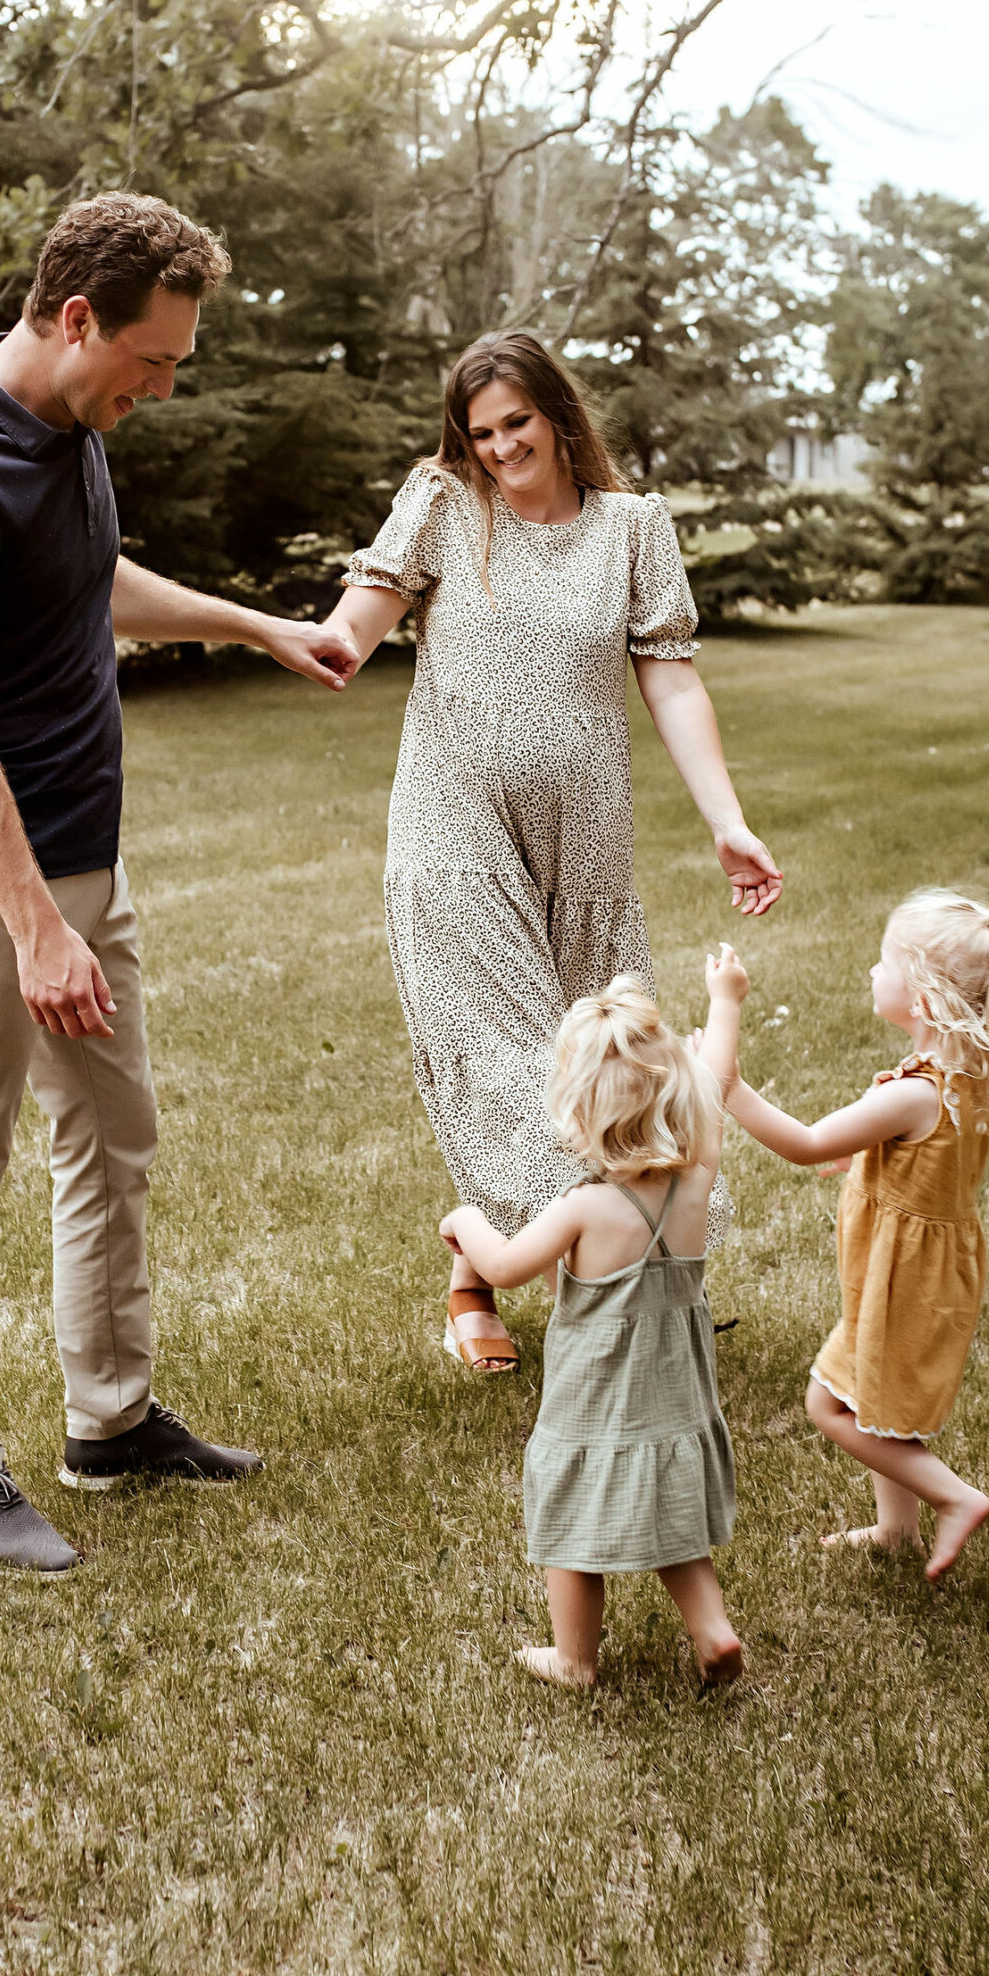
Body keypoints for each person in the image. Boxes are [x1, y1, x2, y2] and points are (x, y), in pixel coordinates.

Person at [0, 190, 358, 1576]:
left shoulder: (71, 429)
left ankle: (111, 1420)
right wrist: (33, 931)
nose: (161, 387)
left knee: (111, 1140)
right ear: (76, 317)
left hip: (87, 860)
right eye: (153, 361)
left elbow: (89, 586)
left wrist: (253, 625)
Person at [325, 331, 782, 1377]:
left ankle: (581, 1264)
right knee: (505, 1056)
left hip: (584, 840)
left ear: (558, 416)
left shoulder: (631, 528)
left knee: (606, 1066)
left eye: (516, 425)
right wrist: (272, 637)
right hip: (454, 823)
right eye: (479, 432)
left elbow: (669, 675)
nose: (497, 449)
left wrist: (726, 819)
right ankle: (489, 1269)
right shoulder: (444, 504)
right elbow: (352, 628)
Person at [712, 891, 989, 1581]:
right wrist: (863, 1158)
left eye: (884, 961)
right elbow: (913, 1155)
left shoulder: (911, 1095)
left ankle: (953, 1498)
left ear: (924, 997)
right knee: (883, 1405)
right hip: (922, 1280)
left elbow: (806, 1144)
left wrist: (731, 1086)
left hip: (905, 1284)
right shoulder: (958, 1079)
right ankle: (896, 1529)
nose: (870, 971)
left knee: (831, 1403)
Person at [439, 968, 745, 1690]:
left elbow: (506, 1267)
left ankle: (574, 1658)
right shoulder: (696, 1180)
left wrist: (465, 1221)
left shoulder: (583, 1206)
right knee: (670, 1509)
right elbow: (716, 1084)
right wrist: (725, 1003)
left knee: (570, 1517)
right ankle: (714, 1629)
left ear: (576, 1115)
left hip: (595, 1397)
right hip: (674, 1393)